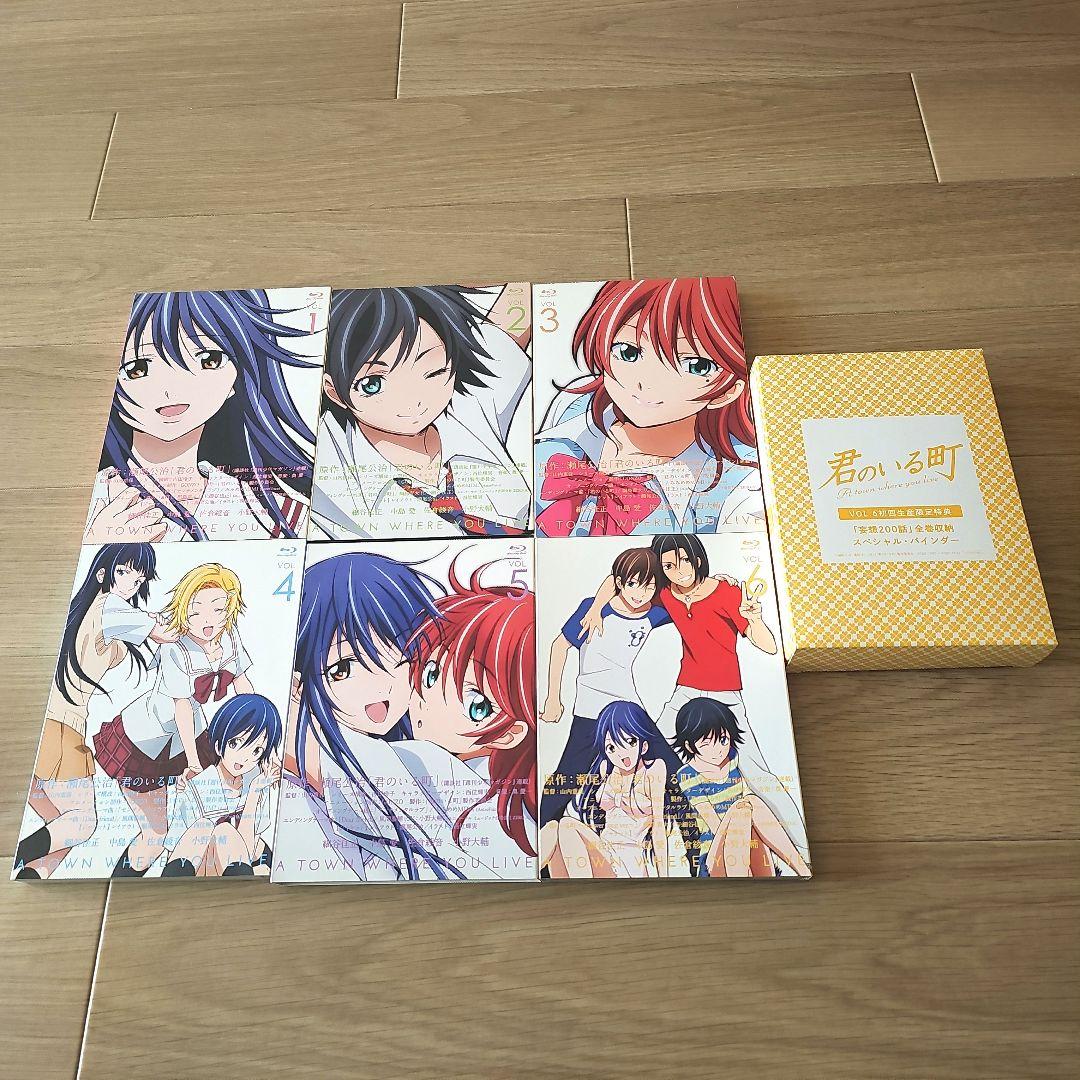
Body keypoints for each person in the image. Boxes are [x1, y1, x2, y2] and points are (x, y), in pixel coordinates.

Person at [579, 533, 808, 856]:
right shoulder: (665, 594)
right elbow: (614, 580)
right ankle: (624, 829)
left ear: (698, 559)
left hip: (726, 694)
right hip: (686, 690)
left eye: (685, 561)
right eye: (669, 566)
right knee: (649, 744)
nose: (679, 571)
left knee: (754, 770)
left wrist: (755, 619)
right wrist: (595, 609)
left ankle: (799, 844)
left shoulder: (727, 592)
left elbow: (769, 646)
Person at [84, 289, 319, 542]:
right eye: (138, 368)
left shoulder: (281, 516)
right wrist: (97, 540)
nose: (171, 389)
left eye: (208, 359)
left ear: (238, 377)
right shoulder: (88, 502)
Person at [534, 277, 761, 537]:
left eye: (696, 366)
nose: (647, 383)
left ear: (729, 391)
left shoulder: (738, 484)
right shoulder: (575, 407)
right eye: (628, 352)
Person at [311, 285, 533, 538]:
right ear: (334, 392)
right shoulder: (324, 476)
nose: (413, 402)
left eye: (434, 371)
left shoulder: (473, 395)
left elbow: (509, 328)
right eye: (373, 384)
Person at [14, 544, 173, 879]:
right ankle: (18, 858)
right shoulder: (109, 606)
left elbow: (130, 644)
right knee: (83, 822)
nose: (130, 584)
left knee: (61, 828)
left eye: (138, 579)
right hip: (61, 728)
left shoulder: (93, 614)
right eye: (123, 572)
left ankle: (30, 872)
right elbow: (162, 634)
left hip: (48, 726)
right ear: (102, 573)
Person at [94, 562, 252, 876]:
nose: (208, 620)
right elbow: (181, 707)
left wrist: (258, 731)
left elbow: (242, 683)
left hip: (191, 735)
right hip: (145, 741)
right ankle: (122, 884)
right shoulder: (175, 647)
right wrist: (193, 762)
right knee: (155, 836)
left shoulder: (229, 637)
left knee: (215, 819)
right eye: (196, 611)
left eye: (218, 609)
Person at [539, 545, 681, 828]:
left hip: (629, 706)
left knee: (673, 772)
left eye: (649, 587)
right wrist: (553, 699)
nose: (640, 593)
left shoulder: (653, 614)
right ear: (619, 582)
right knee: (568, 777)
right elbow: (559, 646)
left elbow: (680, 590)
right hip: (591, 707)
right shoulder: (594, 609)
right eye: (633, 584)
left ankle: (698, 841)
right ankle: (543, 836)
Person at [407, 560, 537, 868]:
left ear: (510, 733)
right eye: (431, 673)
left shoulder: (492, 808)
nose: (428, 702)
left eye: (476, 705)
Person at [545, 701, 696, 878]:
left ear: (644, 745)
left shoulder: (653, 770)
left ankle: (582, 890)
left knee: (566, 825)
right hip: (605, 851)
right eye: (611, 747)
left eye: (630, 741)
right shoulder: (605, 769)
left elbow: (658, 827)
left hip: (629, 863)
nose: (621, 753)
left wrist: (663, 878)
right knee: (553, 828)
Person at [672, 698, 810, 878]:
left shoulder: (733, 760)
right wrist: (740, 815)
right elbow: (714, 824)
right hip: (715, 858)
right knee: (743, 810)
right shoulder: (688, 774)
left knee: (750, 802)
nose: (718, 749)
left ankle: (803, 871)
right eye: (706, 743)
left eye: (723, 740)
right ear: (690, 746)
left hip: (748, 848)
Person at [162, 694, 282, 877]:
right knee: (204, 826)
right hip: (193, 872)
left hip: (233, 872)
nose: (244, 757)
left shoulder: (257, 783)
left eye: (257, 750)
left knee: (226, 832)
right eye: (235, 743)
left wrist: (255, 792)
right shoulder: (195, 787)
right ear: (218, 745)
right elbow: (178, 849)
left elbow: (248, 851)